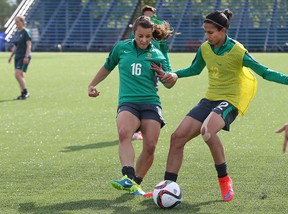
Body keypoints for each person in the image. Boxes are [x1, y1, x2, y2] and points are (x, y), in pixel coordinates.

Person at [151, 8, 288, 202]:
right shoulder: (205, 48)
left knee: (207, 131)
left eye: (211, 32)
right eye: (205, 32)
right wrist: (174, 74)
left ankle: (224, 179)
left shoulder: (237, 51)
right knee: (177, 138)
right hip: (210, 99)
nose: (207, 36)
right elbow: (194, 69)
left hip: (231, 100)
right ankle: (167, 187)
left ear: (223, 30)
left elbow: (265, 72)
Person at [88, 16, 177, 196]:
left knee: (150, 146)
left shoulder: (158, 53)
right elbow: (107, 66)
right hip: (128, 102)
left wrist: (166, 76)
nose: (144, 40)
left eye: (148, 36)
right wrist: (92, 84)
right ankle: (128, 175)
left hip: (151, 102)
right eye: (140, 36)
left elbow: (169, 83)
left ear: (152, 35)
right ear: (133, 33)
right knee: (124, 133)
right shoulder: (121, 48)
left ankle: (135, 182)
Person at [131, 5, 174, 141]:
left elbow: (164, 52)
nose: (148, 17)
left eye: (150, 15)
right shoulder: (141, 28)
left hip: (152, 67)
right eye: (146, 15)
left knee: (148, 93)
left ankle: (144, 126)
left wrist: (168, 70)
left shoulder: (157, 31)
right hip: (138, 66)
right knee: (133, 95)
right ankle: (137, 127)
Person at [8, 15, 32, 100]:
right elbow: (15, 46)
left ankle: (26, 92)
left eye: (18, 22)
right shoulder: (18, 33)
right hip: (17, 57)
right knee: (20, 75)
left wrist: (26, 56)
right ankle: (22, 94)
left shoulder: (26, 32)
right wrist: (11, 56)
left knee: (17, 74)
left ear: (22, 22)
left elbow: (29, 45)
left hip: (23, 56)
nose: (16, 24)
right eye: (15, 22)